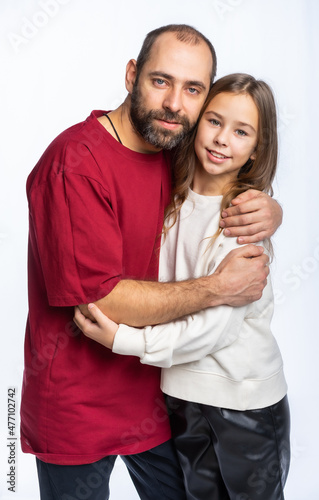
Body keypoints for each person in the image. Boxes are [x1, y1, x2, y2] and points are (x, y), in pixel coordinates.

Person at [21, 23, 282, 500]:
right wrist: (218, 288)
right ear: (131, 75)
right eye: (161, 81)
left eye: (193, 90)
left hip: (157, 398)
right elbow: (104, 299)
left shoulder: (177, 149)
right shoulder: (75, 163)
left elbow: (228, 178)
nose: (174, 103)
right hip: (77, 406)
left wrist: (267, 206)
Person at [74, 73, 290, 500]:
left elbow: (213, 331)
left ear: (256, 150)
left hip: (245, 405)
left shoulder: (241, 222)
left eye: (241, 131)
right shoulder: (172, 196)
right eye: (214, 121)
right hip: (180, 396)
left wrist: (123, 339)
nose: (222, 139)